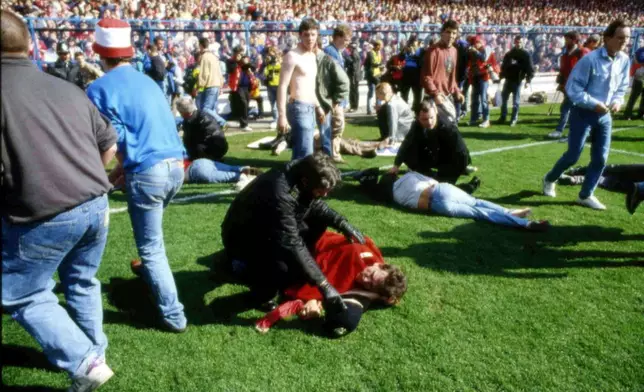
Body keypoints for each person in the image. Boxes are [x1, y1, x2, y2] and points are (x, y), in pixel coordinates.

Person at [2, 10, 117, 390]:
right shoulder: (66, 87)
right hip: (95, 203)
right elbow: (109, 143)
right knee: (82, 281)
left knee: (21, 292)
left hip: (45, 210)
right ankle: (93, 351)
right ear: (28, 43)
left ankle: (85, 362)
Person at [87, 17, 188, 332]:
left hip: (148, 172)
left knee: (151, 247)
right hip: (176, 167)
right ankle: (152, 278)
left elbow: (111, 139)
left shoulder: (97, 88)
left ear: (100, 53)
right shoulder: (149, 81)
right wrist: (122, 170)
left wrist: (97, 175)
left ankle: (174, 316)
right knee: (153, 242)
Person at [221, 152, 364, 317]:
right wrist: (324, 284)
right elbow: (292, 241)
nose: (324, 195)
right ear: (305, 182)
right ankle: (240, 266)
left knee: (318, 222)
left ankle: (292, 266)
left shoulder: (303, 173)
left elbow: (314, 204)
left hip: (265, 225)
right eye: (321, 190)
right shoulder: (280, 191)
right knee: (280, 273)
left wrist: (341, 222)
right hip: (243, 237)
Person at [542, 20, 631, 210]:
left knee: (600, 158)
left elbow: (622, 87)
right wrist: (593, 103)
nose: (624, 42)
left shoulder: (624, 59)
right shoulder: (589, 60)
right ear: (607, 38)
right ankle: (550, 178)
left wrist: (617, 101)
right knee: (573, 155)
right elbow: (573, 88)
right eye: (620, 38)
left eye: (627, 38)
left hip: (605, 115)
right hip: (583, 112)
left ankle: (586, 194)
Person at [255, 231, 407, 337]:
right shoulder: (354, 255)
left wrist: (369, 293)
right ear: (380, 265)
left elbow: (390, 297)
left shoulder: (378, 270)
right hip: (301, 245)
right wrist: (313, 299)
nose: (365, 280)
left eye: (370, 285)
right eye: (371, 274)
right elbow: (322, 276)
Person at [355, 170, 550, 231]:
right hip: (443, 189)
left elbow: (421, 205)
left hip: (437, 202)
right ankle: (512, 213)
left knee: (479, 212)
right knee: (477, 202)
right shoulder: (409, 175)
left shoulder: (397, 198)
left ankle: (525, 223)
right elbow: (432, 181)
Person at [389, 100, 477, 192]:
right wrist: (396, 165)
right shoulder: (416, 125)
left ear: (435, 111)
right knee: (410, 151)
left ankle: (467, 186)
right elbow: (406, 144)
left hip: (451, 158)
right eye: (425, 119)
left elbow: (461, 152)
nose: (429, 122)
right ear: (417, 117)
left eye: (431, 118)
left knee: (440, 189)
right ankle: (424, 173)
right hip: (434, 153)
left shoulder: (448, 128)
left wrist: (459, 170)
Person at [277, 18, 323, 160]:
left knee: (302, 152)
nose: (310, 38)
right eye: (306, 35)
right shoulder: (292, 56)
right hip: (298, 107)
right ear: (300, 35)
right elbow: (282, 85)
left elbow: (310, 86)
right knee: (305, 152)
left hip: (310, 108)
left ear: (317, 35)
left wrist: (318, 106)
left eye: (313, 34)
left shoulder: (312, 56)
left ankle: (294, 179)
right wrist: (281, 115)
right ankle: (298, 180)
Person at [420, 20, 465, 123]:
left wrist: (457, 91)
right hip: (433, 98)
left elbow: (451, 77)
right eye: (448, 32)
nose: (451, 36)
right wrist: (436, 94)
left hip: (447, 97)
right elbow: (427, 77)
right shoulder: (433, 51)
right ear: (442, 33)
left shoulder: (454, 51)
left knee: (450, 131)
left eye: (454, 33)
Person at [315, 40, 350, 163]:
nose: (348, 42)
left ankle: (329, 158)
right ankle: (328, 157)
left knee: (330, 130)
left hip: (325, 101)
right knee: (327, 131)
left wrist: (335, 100)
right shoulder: (330, 53)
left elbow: (344, 82)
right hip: (316, 101)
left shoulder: (327, 57)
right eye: (346, 39)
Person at [547, 31, 586, 140]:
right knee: (568, 109)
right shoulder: (565, 54)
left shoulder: (581, 52)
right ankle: (567, 132)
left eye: (567, 39)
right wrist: (561, 80)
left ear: (574, 40)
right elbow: (564, 70)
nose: (565, 41)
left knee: (569, 109)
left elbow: (584, 70)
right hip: (567, 86)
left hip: (577, 87)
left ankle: (564, 131)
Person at [176, 96, 228, 161]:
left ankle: (213, 159)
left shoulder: (197, 120)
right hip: (215, 146)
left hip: (214, 147)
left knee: (195, 148)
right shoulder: (194, 117)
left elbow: (190, 140)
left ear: (182, 112)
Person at [498, 36, 535, 126]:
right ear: (514, 42)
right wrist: (502, 75)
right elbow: (504, 65)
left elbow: (530, 68)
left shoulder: (526, 55)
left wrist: (528, 80)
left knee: (516, 102)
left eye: (520, 42)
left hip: (518, 80)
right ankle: (503, 117)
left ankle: (514, 119)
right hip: (508, 80)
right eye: (517, 42)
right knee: (504, 100)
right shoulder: (509, 53)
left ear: (522, 43)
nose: (518, 44)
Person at [466, 35, 499, 128]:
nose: (476, 44)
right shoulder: (472, 50)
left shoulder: (486, 49)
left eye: (478, 42)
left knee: (484, 99)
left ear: (482, 42)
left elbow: (483, 58)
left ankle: (486, 120)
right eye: (474, 43)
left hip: (483, 77)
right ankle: (473, 119)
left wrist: (475, 51)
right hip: (475, 76)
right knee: (474, 99)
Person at [195, 37, 227, 128]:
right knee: (211, 108)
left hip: (210, 85)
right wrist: (221, 84)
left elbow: (204, 73)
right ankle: (215, 126)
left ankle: (222, 122)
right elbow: (220, 72)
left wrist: (198, 85)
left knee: (206, 109)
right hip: (216, 84)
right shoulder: (214, 56)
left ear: (200, 45)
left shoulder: (204, 57)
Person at [227, 46, 253, 131]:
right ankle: (244, 124)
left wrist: (245, 63)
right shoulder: (230, 61)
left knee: (246, 104)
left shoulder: (244, 60)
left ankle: (243, 122)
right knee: (243, 103)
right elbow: (231, 70)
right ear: (235, 54)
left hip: (247, 86)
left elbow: (253, 68)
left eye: (242, 53)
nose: (241, 55)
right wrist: (236, 61)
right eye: (239, 53)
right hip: (238, 86)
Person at [399, 37, 423, 113]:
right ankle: (404, 112)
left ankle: (417, 113)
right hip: (406, 75)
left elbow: (422, 62)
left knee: (417, 97)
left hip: (416, 76)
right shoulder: (406, 50)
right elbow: (400, 58)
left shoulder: (421, 51)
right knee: (404, 96)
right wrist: (403, 51)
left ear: (417, 42)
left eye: (414, 41)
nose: (412, 43)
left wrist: (414, 54)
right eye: (411, 42)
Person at [623, 46, 644, 121]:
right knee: (634, 96)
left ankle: (641, 114)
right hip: (640, 76)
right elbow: (640, 60)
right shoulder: (641, 50)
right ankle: (627, 114)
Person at [263, 45, 281, 129]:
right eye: (269, 54)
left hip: (279, 85)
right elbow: (264, 73)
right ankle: (276, 119)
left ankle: (279, 119)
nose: (270, 56)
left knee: (278, 104)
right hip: (270, 85)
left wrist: (278, 62)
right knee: (272, 103)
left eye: (272, 53)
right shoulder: (268, 64)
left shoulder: (280, 62)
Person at [364, 39, 383, 115]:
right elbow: (373, 63)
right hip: (371, 75)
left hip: (377, 74)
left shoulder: (379, 53)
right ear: (376, 46)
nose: (381, 47)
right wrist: (380, 65)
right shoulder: (370, 53)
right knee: (371, 92)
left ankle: (378, 109)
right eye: (380, 46)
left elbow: (379, 62)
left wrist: (380, 66)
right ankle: (369, 109)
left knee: (378, 92)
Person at [344, 38, 362, 113]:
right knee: (354, 91)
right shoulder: (355, 53)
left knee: (353, 92)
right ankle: (354, 106)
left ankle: (354, 106)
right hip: (355, 75)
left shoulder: (354, 54)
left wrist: (353, 78)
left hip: (353, 76)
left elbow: (354, 67)